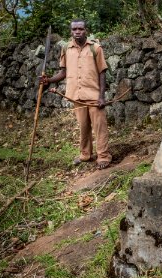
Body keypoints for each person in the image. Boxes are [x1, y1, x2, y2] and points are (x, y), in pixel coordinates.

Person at [41, 18, 112, 170]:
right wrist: (49, 80)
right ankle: (85, 154)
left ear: (86, 30)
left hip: (93, 96)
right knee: (83, 126)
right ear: (71, 31)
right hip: (76, 95)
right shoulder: (66, 48)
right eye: (74, 29)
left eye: (80, 29)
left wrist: (101, 97)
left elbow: (102, 73)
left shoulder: (95, 48)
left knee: (100, 127)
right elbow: (63, 72)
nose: (77, 32)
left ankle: (103, 156)